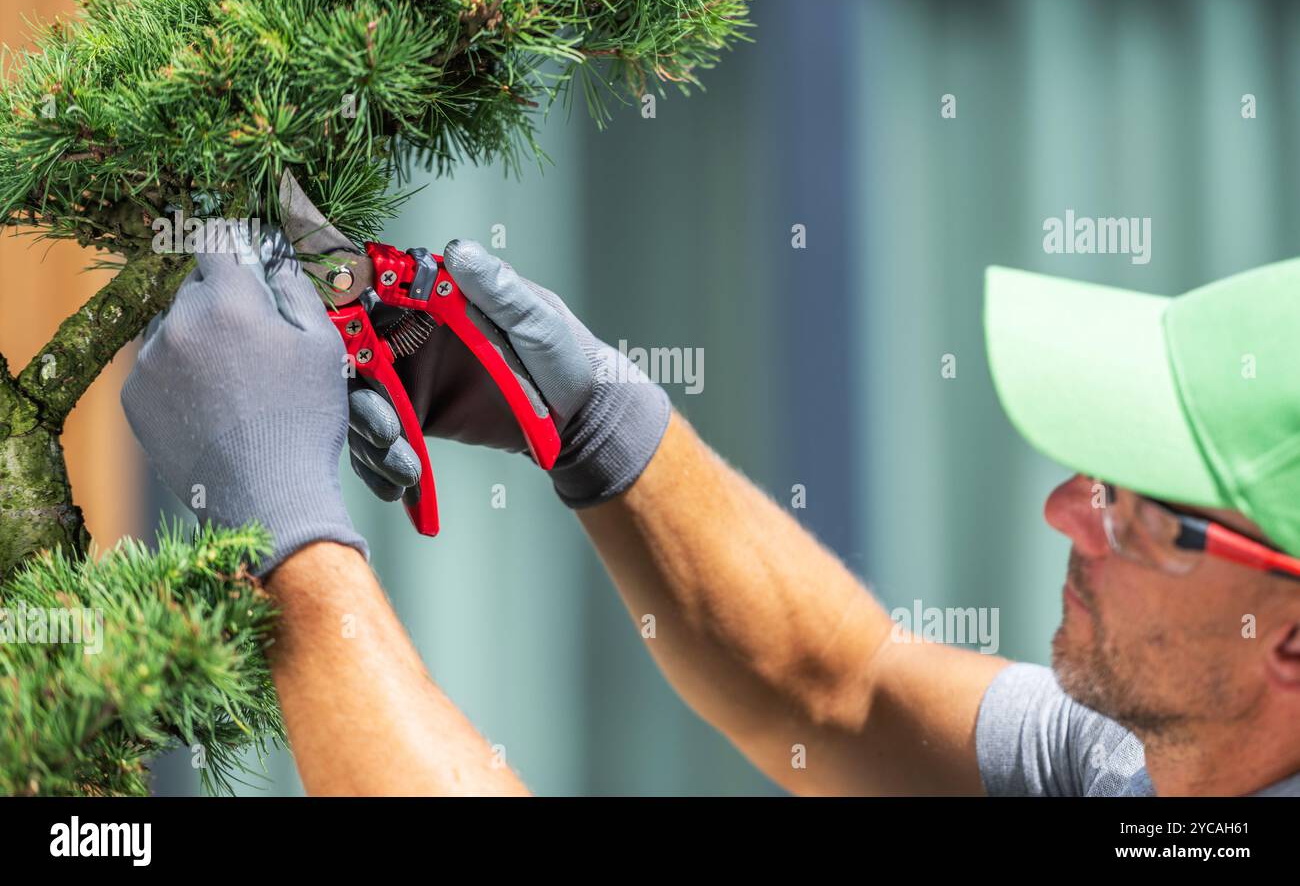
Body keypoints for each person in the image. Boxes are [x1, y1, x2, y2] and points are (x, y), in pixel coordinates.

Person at [123, 232, 1300, 796]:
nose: (1063, 508)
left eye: (1143, 515)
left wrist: (284, 535)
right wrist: (597, 426)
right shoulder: (1150, 759)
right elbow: (836, 687)